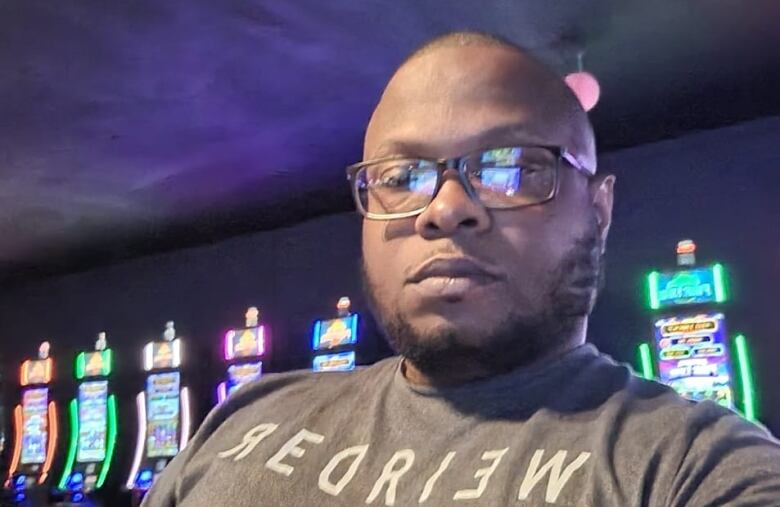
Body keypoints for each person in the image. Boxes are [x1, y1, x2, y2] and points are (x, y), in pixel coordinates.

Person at [143, 32, 780, 506]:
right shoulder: (244, 416)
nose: (445, 210)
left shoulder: (690, 465)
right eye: (401, 177)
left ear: (599, 208)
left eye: (511, 168)